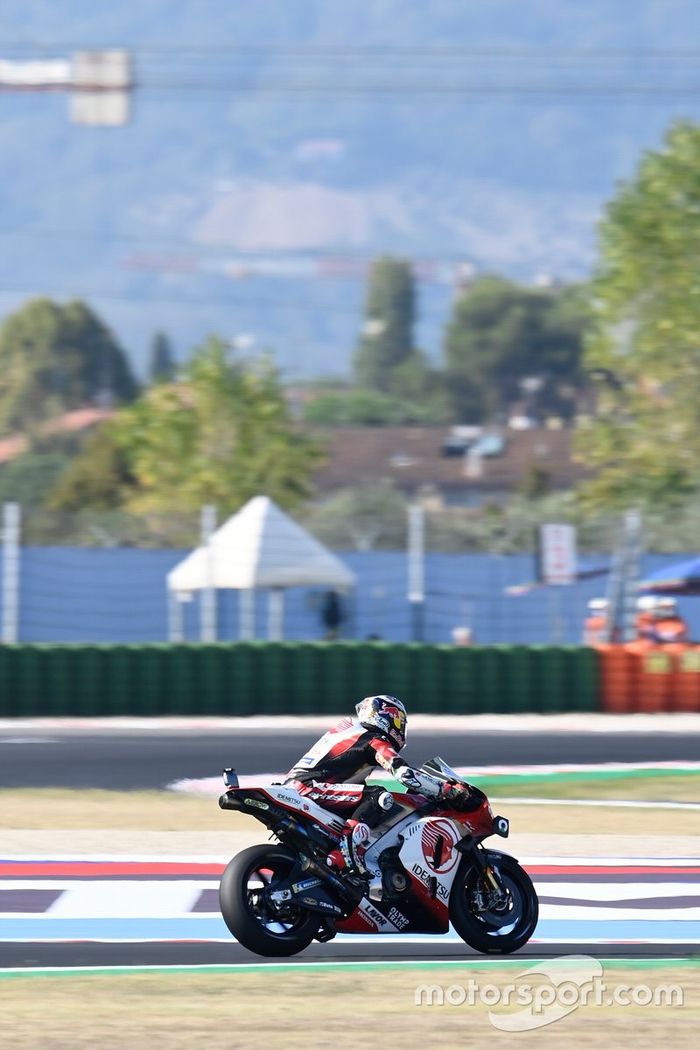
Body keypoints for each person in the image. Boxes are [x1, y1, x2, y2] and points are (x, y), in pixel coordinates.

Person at [284, 695, 471, 879]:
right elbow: (404, 773)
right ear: (384, 716)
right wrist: (446, 789)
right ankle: (348, 851)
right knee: (379, 797)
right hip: (310, 788)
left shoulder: (351, 733)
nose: (400, 728)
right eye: (398, 722)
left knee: (366, 797)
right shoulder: (372, 738)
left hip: (300, 787)